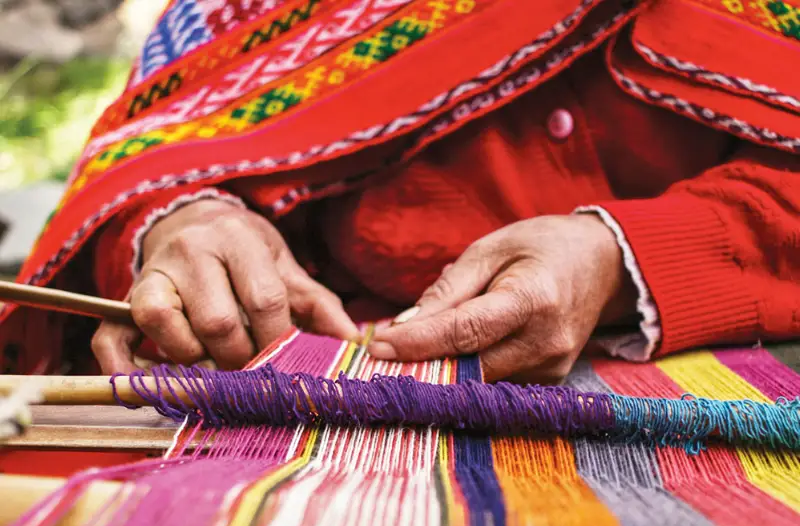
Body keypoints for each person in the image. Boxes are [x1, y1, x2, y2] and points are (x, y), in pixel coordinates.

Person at [0, 0, 798, 381]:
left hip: (713, 382)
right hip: (304, 390)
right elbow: (157, 151)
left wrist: (622, 260)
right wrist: (185, 220)